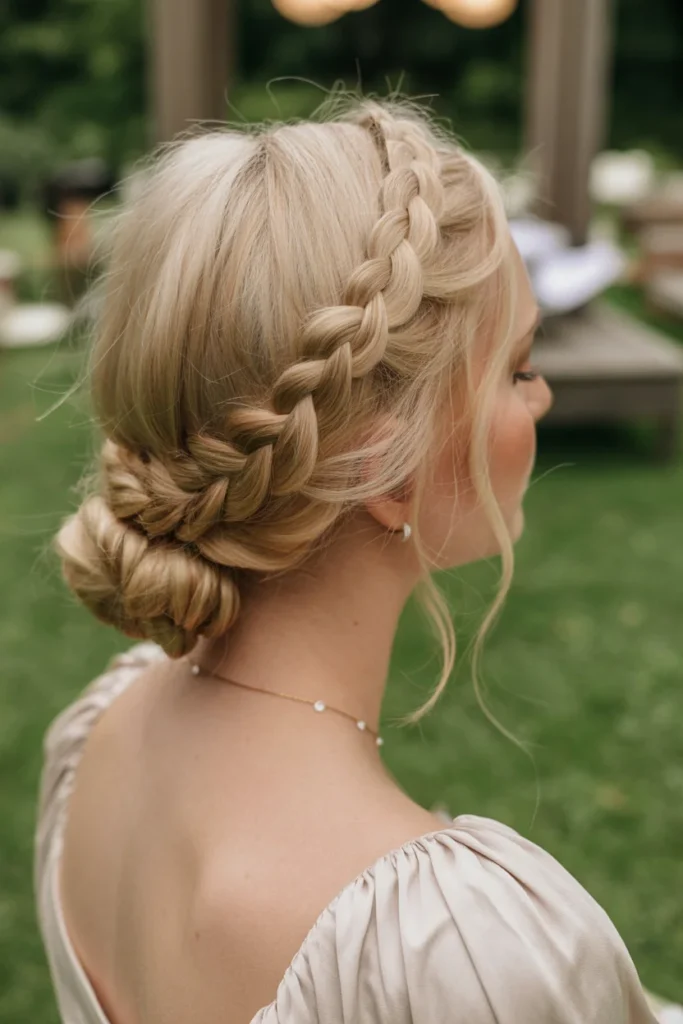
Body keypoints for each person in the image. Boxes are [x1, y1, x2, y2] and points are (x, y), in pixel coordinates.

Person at [35, 99, 658, 1024]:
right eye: (517, 368)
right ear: (384, 468)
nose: (543, 396)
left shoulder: (96, 738)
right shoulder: (453, 959)